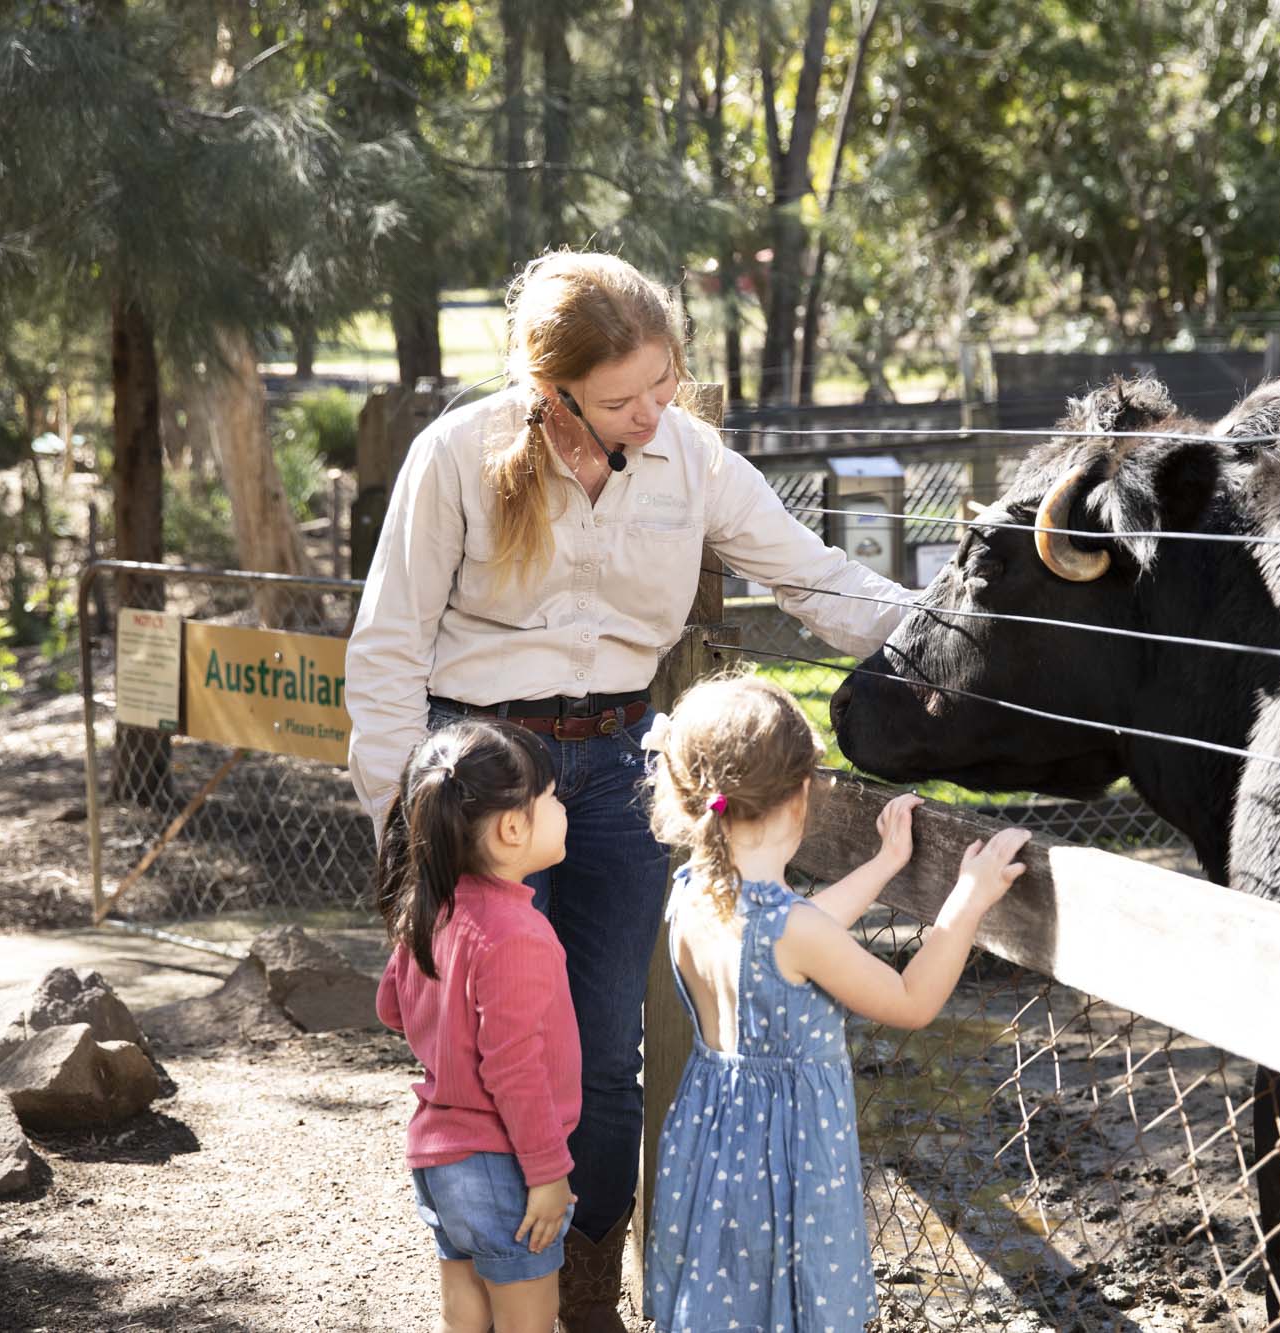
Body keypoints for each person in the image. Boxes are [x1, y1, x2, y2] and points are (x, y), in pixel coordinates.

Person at [345, 250, 912, 1330]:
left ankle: (583, 1285)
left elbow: (814, 575)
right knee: (483, 1041)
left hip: (610, 771)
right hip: (474, 772)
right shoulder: (455, 456)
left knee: (603, 1049)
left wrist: (954, 633)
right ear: (546, 390)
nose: (651, 412)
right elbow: (384, 652)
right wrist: (400, 832)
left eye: (663, 383)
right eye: (619, 398)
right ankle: (497, 1282)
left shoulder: (688, 457)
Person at [640, 676, 1031, 1331]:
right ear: (801, 795)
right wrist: (969, 894)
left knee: (731, 1297)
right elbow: (911, 998)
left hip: (714, 1143)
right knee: (791, 1303)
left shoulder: (693, 895)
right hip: (786, 1156)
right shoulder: (792, 929)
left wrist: (884, 864)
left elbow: (800, 930)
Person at [373, 718, 580, 1333]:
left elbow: (391, 1006)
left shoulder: (430, 907)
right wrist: (547, 1174)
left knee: (464, 1317)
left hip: (439, 1163)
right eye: (552, 799)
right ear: (514, 827)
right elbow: (514, 1069)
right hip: (506, 1165)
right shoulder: (516, 934)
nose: (560, 809)